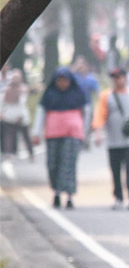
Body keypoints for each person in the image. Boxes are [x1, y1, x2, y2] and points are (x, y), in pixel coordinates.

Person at [32, 68, 87, 209]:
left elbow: (87, 112)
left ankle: (69, 195)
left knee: (68, 164)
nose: (62, 83)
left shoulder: (77, 93)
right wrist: (36, 132)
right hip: (53, 134)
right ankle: (56, 192)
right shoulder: (49, 94)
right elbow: (40, 112)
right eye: (59, 80)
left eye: (65, 80)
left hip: (72, 133)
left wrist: (85, 132)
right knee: (53, 164)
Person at [92, 67, 129, 210]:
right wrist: (98, 132)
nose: (117, 80)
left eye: (119, 77)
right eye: (114, 78)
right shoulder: (106, 96)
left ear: (125, 78)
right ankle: (118, 197)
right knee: (115, 170)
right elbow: (100, 114)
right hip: (114, 141)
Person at [1, 69, 33, 161]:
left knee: (25, 136)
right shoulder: (7, 90)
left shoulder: (22, 89)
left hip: (20, 117)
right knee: (9, 136)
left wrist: (20, 116)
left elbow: (22, 103)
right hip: (10, 116)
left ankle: (30, 153)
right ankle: (9, 153)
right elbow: (3, 102)